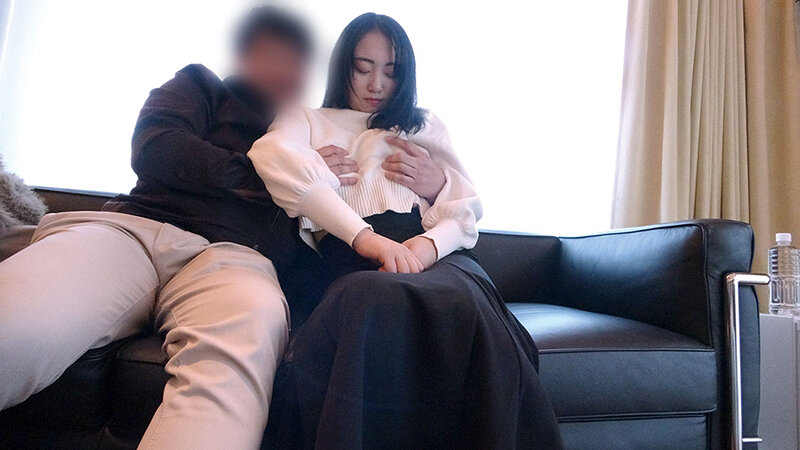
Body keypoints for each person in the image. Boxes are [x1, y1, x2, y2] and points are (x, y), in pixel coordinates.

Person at [0, 7, 451, 450]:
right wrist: (278, 176)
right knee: (23, 318)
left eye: (297, 61)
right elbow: (158, 148)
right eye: (273, 55)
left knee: (237, 356)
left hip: (239, 262)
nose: (286, 70)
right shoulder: (202, 87)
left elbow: (359, 207)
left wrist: (438, 187)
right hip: (135, 232)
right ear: (246, 56)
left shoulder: (314, 129)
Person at [249, 12, 563, 449]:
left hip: (436, 253)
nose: (377, 84)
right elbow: (272, 157)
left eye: (392, 72)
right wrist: (365, 236)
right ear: (342, 66)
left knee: (460, 297)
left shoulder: (422, 124)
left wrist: (428, 234)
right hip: (352, 257)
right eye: (363, 68)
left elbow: (464, 208)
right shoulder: (306, 119)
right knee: (367, 297)